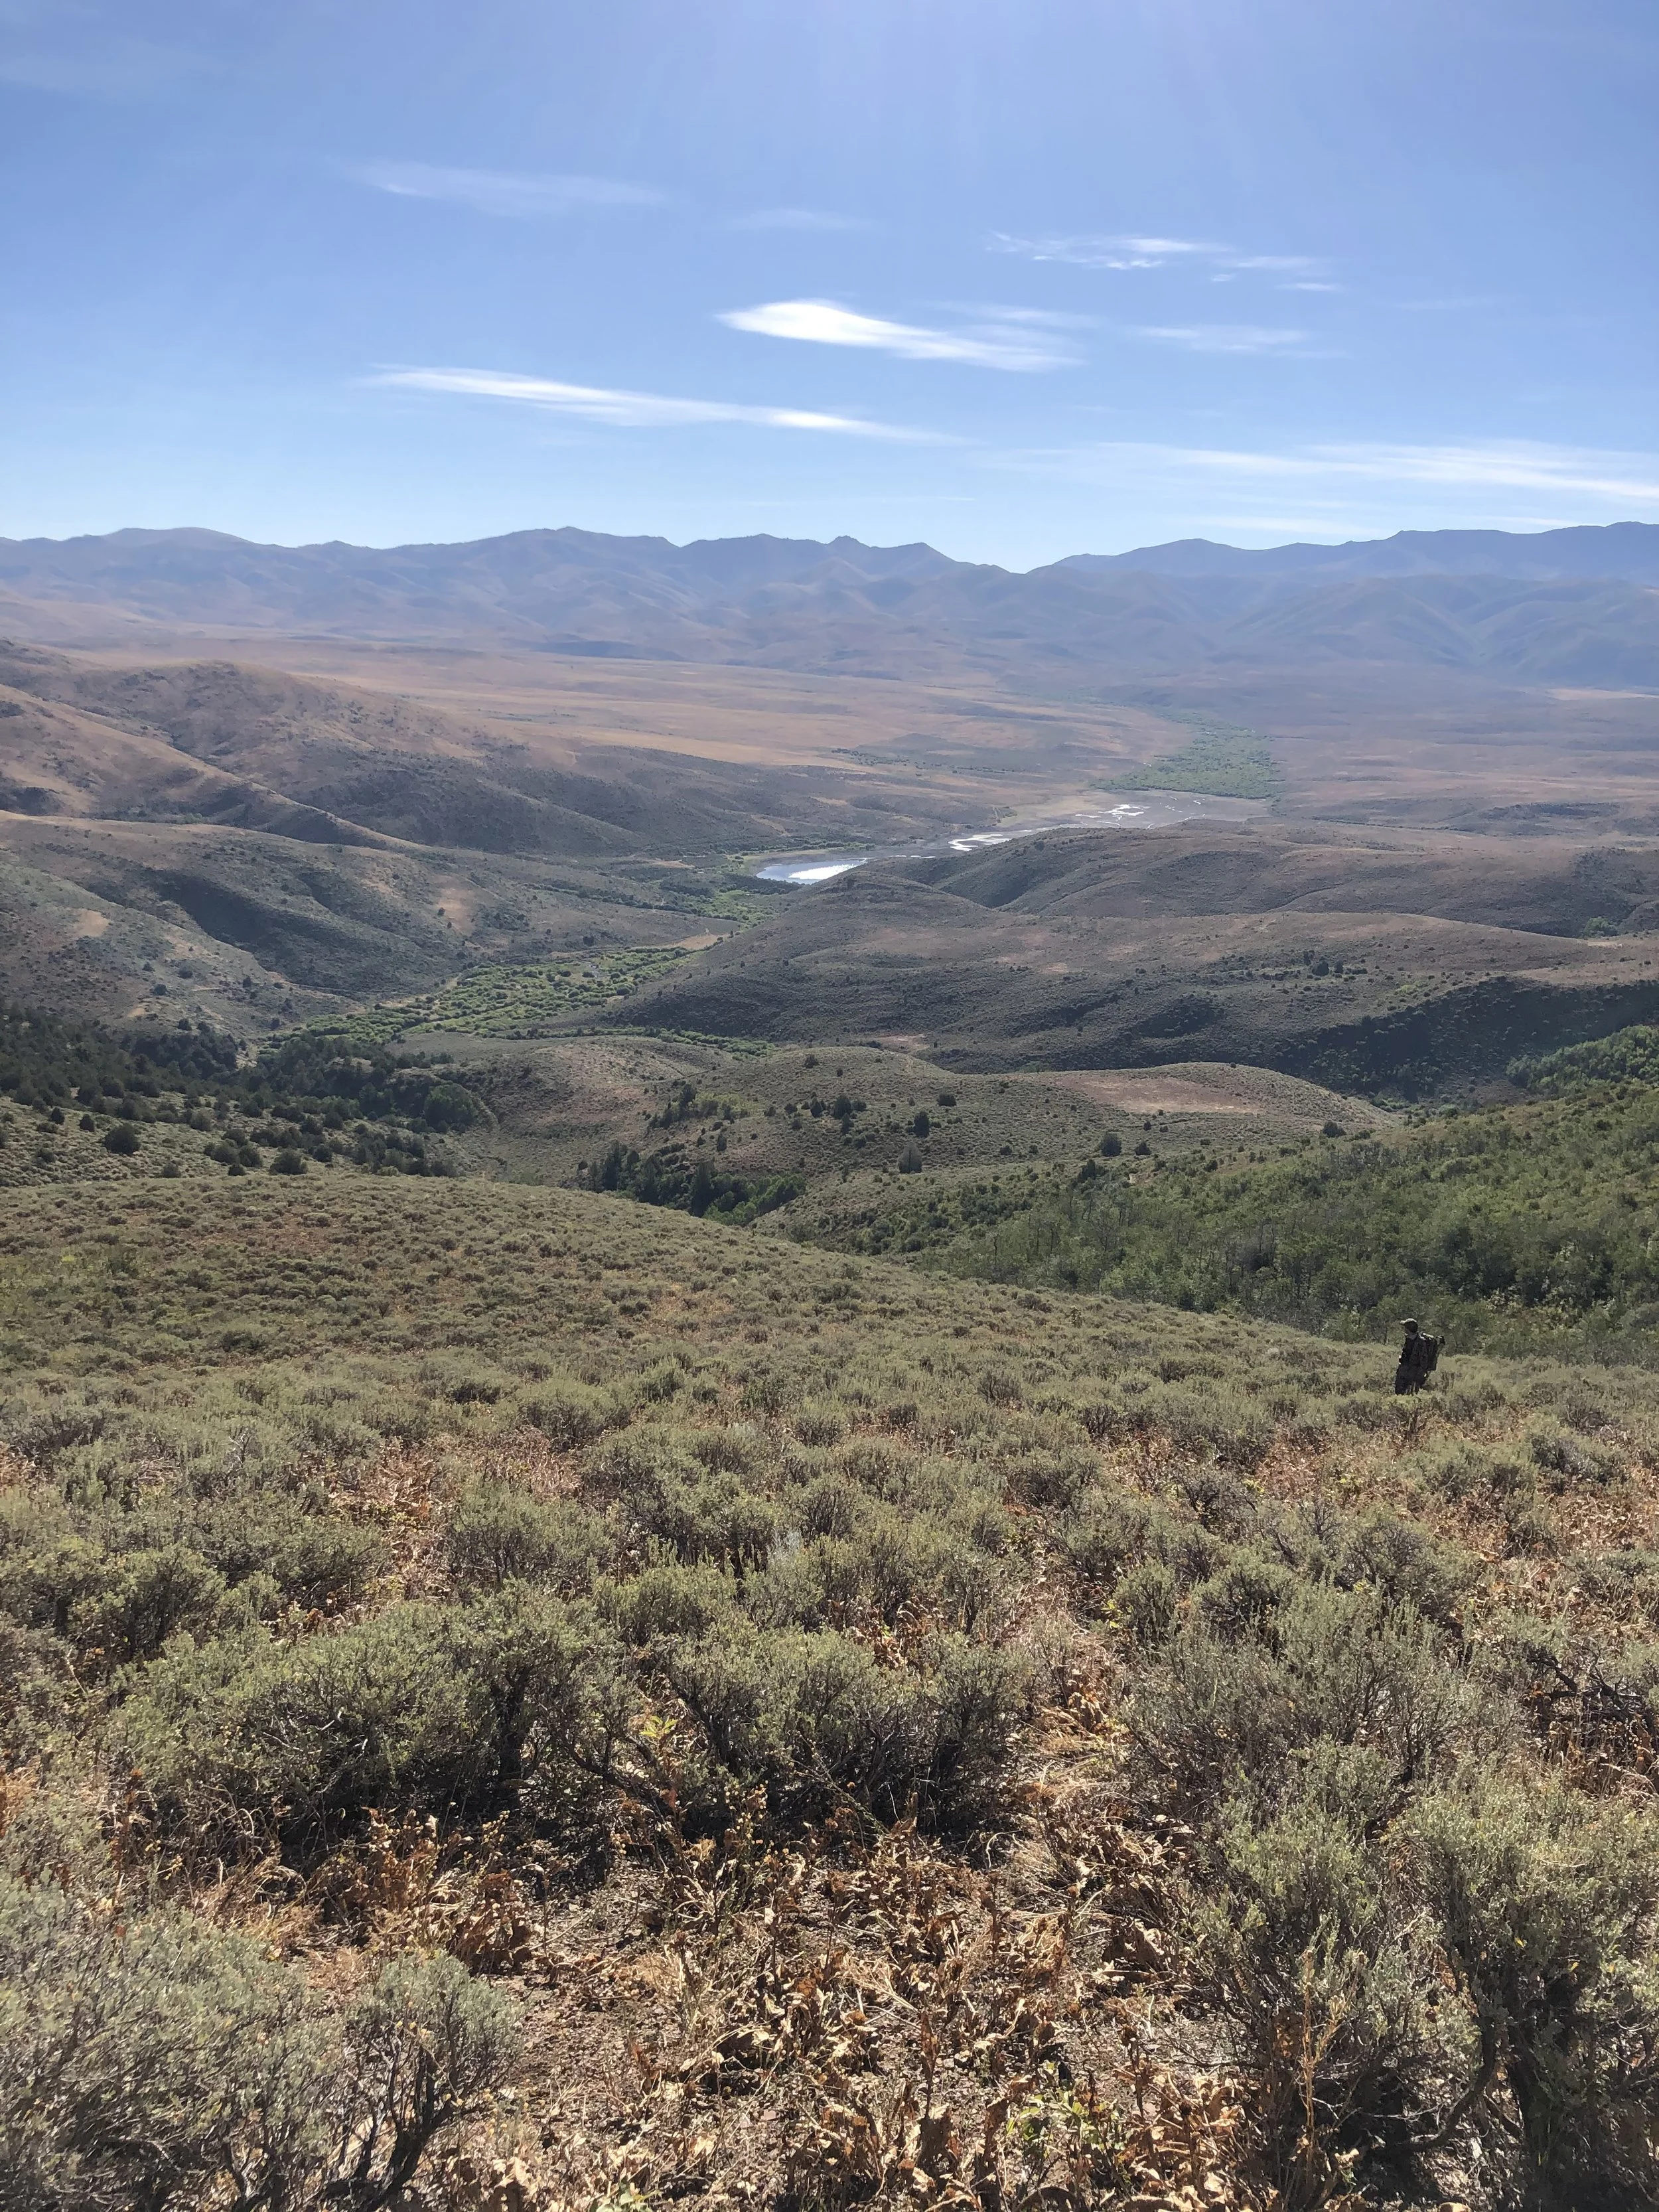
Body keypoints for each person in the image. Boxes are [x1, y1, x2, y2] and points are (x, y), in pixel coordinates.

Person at [1394, 1317, 1440, 1395]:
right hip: (1406, 1371)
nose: (1404, 1329)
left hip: (1411, 1372)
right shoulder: (1410, 1339)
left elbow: (1422, 1360)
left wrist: (1418, 1375)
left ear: (1408, 1329)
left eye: (1405, 1327)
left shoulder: (1421, 1343)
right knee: (1402, 1393)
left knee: (1406, 1393)